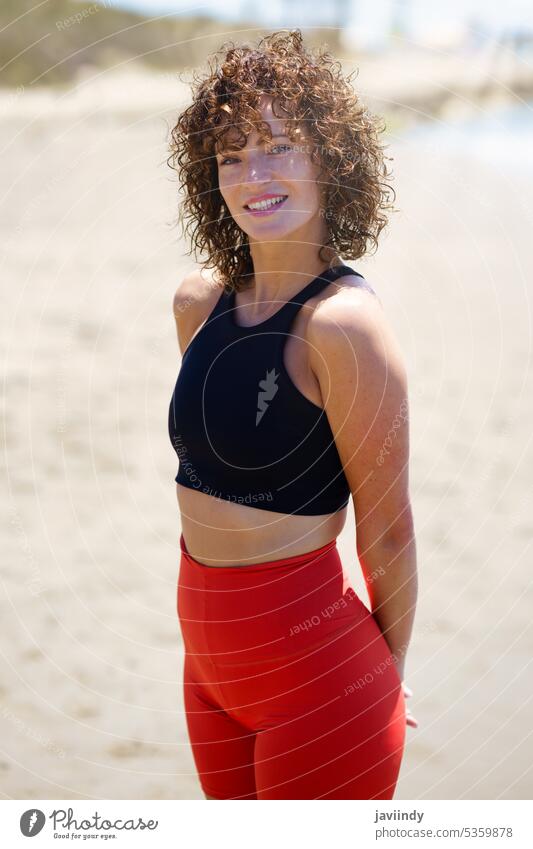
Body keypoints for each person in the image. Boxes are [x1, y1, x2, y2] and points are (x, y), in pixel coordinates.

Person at [167, 29, 418, 800]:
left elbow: (386, 526)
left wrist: (386, 677)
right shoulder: (199, 304)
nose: (254, 174)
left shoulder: (341, 325)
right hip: (208, 672)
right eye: (232, 155)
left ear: (329, 160)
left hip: (319, 686)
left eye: (279, 146)